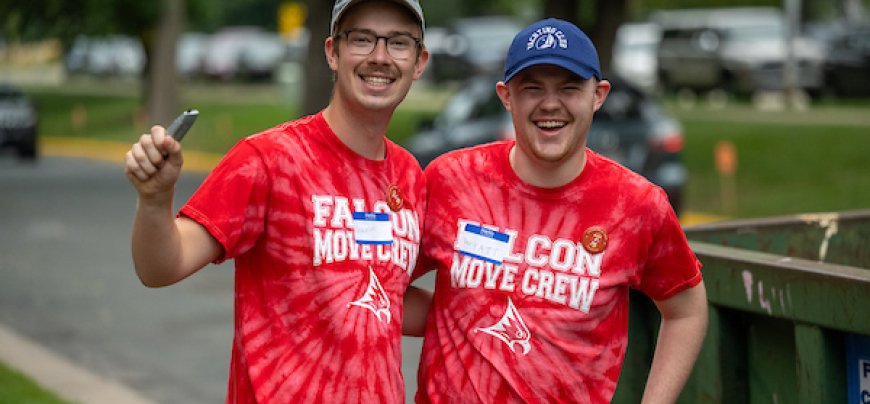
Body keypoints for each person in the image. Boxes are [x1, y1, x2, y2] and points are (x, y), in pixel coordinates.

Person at [124, 0, 429, 402]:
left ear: (419, 62)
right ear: (332, 53)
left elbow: (381, 295)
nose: (379, 57)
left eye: (398, 43)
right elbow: (161, 266)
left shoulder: (409, 176)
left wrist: (501, 305)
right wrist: (154, 199)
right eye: (362, 39)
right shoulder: (268, 159)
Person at [405, 18, 708, 404]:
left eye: (569, 88)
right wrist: (459, 314)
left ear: (598, 95)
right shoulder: (451, 180)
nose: (551, 104)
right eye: (532, 88)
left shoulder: (635, 204)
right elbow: (382, 285)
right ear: (506, 96)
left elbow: (686, 310)